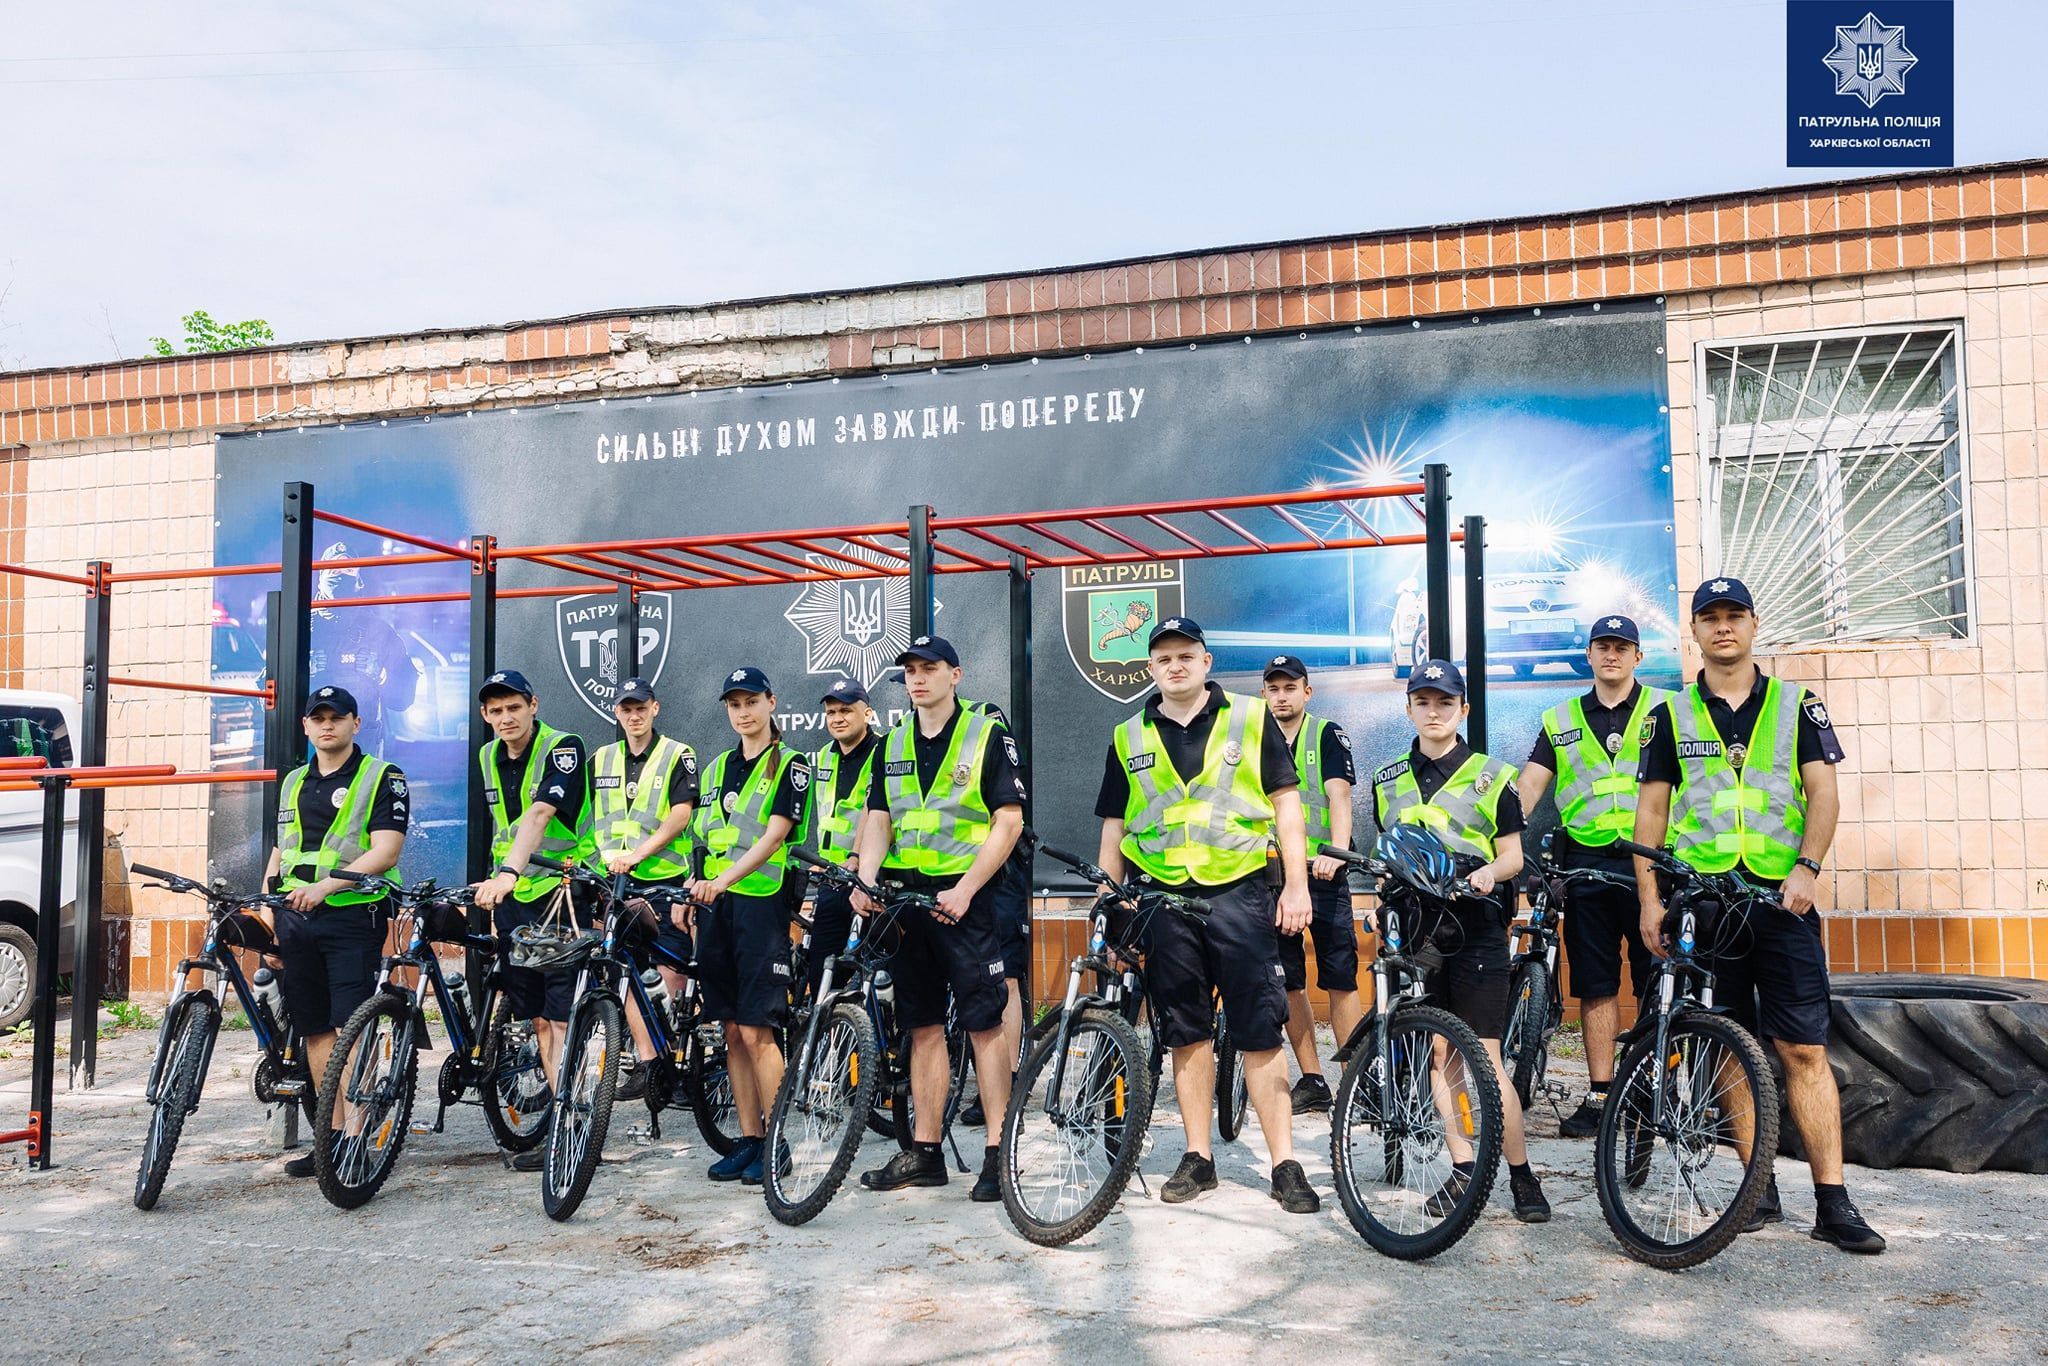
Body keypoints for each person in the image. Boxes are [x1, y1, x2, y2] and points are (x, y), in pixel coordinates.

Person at [1633, 577, 1884, 1254]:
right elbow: (1650, 812)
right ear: (1694, 631)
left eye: (1734, 615)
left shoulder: (1799, 705)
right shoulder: (1669, 715)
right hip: (1705, 902)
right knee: (1729, 1046)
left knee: (1803, 1048)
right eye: (1709, 617)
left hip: (1781, 900)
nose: (1723, 627)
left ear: (1753, 624)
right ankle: (1757, 1188)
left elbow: (1823, 794)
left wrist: (1808, 867)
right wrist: (1650, 899)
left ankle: (1833, 1202)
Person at [1094, 618, 1321, 1215]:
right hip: (1164, 900)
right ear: (1150, 668)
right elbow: (1115, 825)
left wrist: (1296, 886)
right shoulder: (1127, 735)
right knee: (1185, 1032)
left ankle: (1284, 1163)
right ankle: (1199, 1157)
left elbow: (1287, 807)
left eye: (1186, 656)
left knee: (1260, 1030)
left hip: (1239, 894)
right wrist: (1109, 898)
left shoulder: (1250, 717)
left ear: (1206, 662)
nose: (1175, 666)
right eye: (1164, 658)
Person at [1369, 659, 1549, 1223]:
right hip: (1418, 932)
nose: (1434, 711)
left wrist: (1489, 873)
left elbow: (1513, 855)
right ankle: (1464, 1169)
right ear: (1409, 709)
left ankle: (1520, 1174)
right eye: (1423, 701)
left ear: (1463, 709)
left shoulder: (1494, 776)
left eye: (1445, 702)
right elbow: (1388, 855)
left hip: (1475, 928)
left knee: (1486, 1058)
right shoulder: (1386, 779)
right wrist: (1380, 899)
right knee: (1440, 1053)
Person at [850, 635, 1027, 1204]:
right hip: (908, 903)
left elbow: (1008, 821)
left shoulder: (985, 733)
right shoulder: (892, 741)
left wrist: (967, 888)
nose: (918, 678)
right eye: (910, 671)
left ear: (956, 674)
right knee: (922, 1026)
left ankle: (998, 1152)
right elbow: (879, 817)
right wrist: (866, 879)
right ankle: (925, 1153)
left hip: (965, 903)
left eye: (930, 668)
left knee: (984, 1025)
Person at [1514, 615, 1667, 1138]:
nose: (1612, 655)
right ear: (1589, 655)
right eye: (1603, 646)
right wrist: (1500, 839)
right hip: (1586, 867)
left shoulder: (1667, 709)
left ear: (1638, 656)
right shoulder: (1560, 718)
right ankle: (1601, 1094)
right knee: (1596, 984)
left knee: (1656, 980)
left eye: (1622, 647)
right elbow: (1529, 787)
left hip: (1654, 864)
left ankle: (1651, 1090)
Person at [263, 685, 407, 1179]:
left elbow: (386, 850)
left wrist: (326, 887)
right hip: (295, 918)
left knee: (351, 1028)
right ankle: (332, 1137)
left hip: (352, 915)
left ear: (355, 723)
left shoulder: (382, 776)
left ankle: (358, 1138)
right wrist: (268, 915)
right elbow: (281, 851)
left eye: (337, 717)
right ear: (306, 726)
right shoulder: (293, 782)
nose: (327, 725)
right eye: (318, 718)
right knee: (315, 1028)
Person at [469, 669, 596, 1172]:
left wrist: (506, 873)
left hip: (561, 893)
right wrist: (497, 883)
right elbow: (503, 828)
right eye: (496, 711)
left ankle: (575, 1133)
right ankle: (565, 1124)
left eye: (514, 707)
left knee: (562, 1018)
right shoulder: (488, 756)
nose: (506, 718)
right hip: (515, 899)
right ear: (485, 715)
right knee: (539, 1017)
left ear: (533, 705)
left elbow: (540, 815)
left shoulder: (563, 747)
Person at [687, 667, 810, 1187]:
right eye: (734, 704)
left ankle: (777, 1142)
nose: (743, 712)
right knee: (732, 1030)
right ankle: (749, 1139)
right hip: (717, 908)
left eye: (751, 701)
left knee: (759, 1030)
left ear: (771, 703)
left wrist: (721, 880)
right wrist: (695, 884)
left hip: (761, 905)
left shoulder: (791, 763)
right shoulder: (717, 767)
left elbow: (775, 837)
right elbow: (703, 836)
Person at [590, 676, 699, 1102]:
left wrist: (638, 854)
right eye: (626, 709)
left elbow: (681, 815)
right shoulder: (600, 759)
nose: (634, 716)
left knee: (669, 973)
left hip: (663, 880)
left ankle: (678, 1061)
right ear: (616, 712)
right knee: (625, 972)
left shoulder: (677, 754)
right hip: (616, 882)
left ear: (655, 708)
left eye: (641, 708)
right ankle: (649, 1063)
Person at [1259, 655, 1361, 1115]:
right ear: (1264, 693)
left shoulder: (1326, 734)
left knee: (1340, 976)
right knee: (1288, 979)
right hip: (1272, 875)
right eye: (1274, 688)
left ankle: (1357, 1081)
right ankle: (1313, 1079)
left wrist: (1335, 852)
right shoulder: (1252, 736)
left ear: (1307, 691)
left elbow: (1340, 796)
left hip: (1322, 872)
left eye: (1290, 687)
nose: (1282, 696)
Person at [308, 541, 422, 756]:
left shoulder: (379, 631)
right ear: (321, 576)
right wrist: (300, 674)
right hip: (312, 746)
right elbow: (268, 691)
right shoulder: (301, 628)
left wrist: (382, 677)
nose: (342, 577)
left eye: (349, 570)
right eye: (335, 570)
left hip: (364, 744)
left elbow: (404, 697)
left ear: (359, 579)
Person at [807, 678, 879, 994]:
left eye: (846, 710)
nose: (837, 718)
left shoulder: (884, 751)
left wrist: (858, 858)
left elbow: (875, 810)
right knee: (821, 974)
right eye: (831, 712)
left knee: (875, 976)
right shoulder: (825, 755)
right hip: (832, 880)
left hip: (871, 880)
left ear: (868, 714)